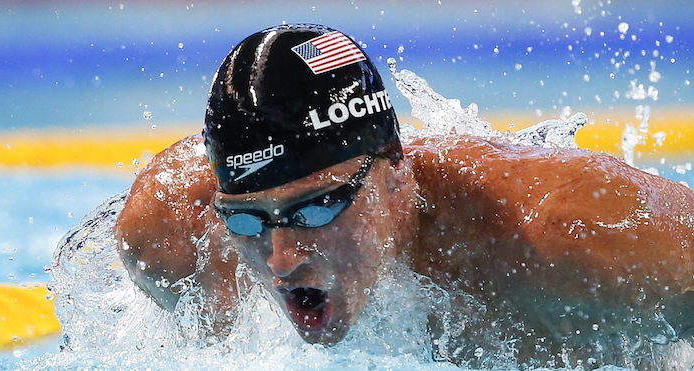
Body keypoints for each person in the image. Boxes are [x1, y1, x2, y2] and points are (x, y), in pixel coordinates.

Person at [116, 24, 694, 365]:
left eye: (317, 208)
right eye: (248, 222)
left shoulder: (573, 240)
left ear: (396, 170)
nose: (282, 259)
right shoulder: (170, 239)